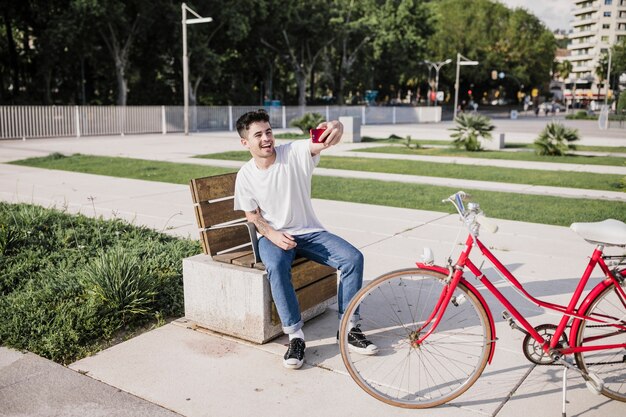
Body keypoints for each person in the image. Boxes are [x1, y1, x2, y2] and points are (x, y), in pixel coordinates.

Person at [233, 109, 378, 370]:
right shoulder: (245, 175)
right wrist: (273, 235)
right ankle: (295, 337)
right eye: (258, 135)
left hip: (309, 232)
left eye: (268, 131)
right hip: (273, 236)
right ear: (245, 142)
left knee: (353, 258)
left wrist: (334, 126)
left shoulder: (294, 152)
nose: (266, 138)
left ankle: (348, 327)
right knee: (276, 267)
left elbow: (325, 140)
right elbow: (252, 216)